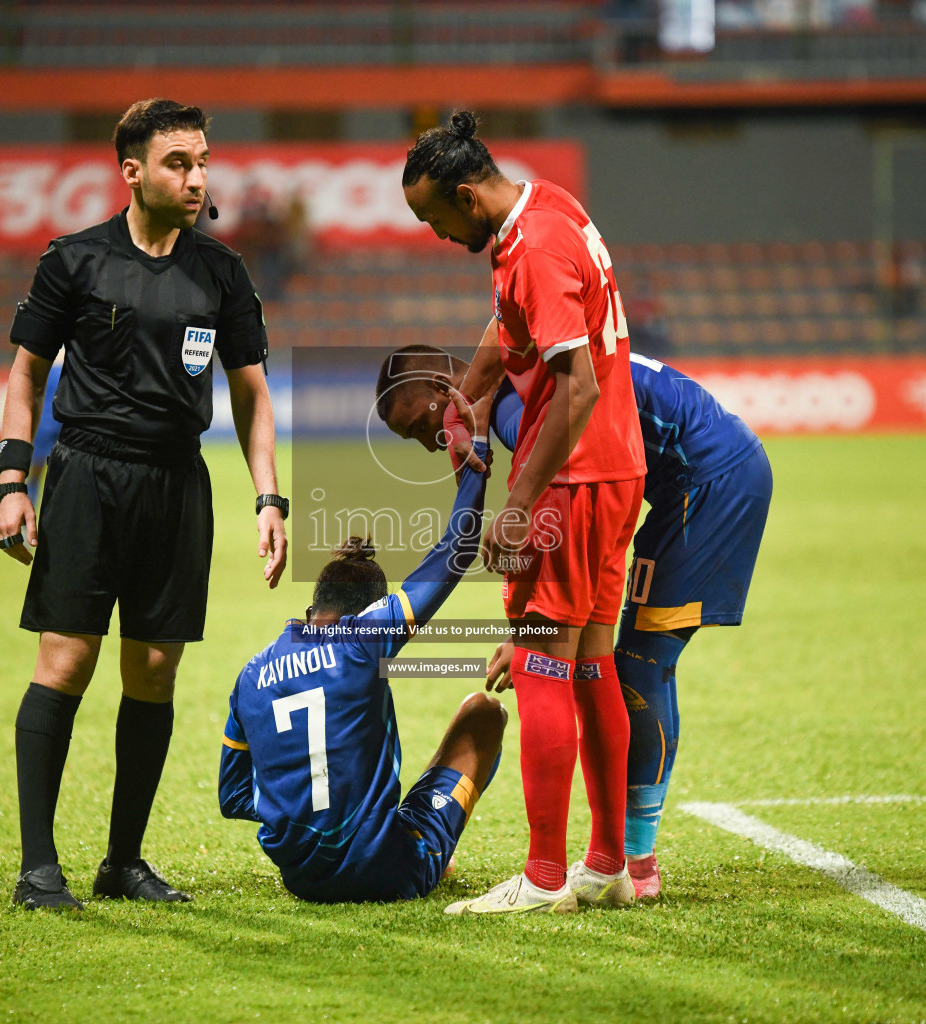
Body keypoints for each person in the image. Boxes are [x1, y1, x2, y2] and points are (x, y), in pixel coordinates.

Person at [0, 98, 289, 911]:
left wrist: (270, 499)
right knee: (67, 661)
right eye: (178, 164)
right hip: (87, 476)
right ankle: (36, 867)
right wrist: (13, 482)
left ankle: (122, 861)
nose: (197, 178)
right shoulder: (74, 261)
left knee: (153, 671)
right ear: (132, 172)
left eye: (202, 163)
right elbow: (25, 374)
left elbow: (254, 397)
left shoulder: (222, 272)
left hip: (177, 482)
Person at [376, 344, 772, 899]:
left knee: (638, 662)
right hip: (675, 480)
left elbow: (562, 500)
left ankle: (627, 863)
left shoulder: (517, 405)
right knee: (609, 662)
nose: (429, 441)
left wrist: (533, 626)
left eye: (421, 423)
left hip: (709, 479)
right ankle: (616, 860)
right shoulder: (515, 381)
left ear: (445, 389)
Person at [400, 111, 646, 914]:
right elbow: (510, 326)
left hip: (570, 479)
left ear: (468, 197)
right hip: (614, 468)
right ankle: (606, 865)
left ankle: (545, 880)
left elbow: (574, 384)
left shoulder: (533, 246)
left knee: (542, 661)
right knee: (591, 661)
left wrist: (519, 503)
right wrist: (469, 395)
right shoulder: (548, 210)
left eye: (435, 219)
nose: (435, 235)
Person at [218, 435, 507, 903]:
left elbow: (233, 799)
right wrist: (475, 456)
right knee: (484, 712)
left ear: (312, 610)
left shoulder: (251, 675)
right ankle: (434, 848)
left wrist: (298, 802)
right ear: (369, 612)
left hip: (302, 882)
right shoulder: (365, 639)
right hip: (388, 873)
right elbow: (456, 549)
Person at [26, 352, 64, 506]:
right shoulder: (71, 356)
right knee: (65, 476)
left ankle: (26, 523)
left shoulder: (43, 354)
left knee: (35, 474)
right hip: (61, 423)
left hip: (45, 423)